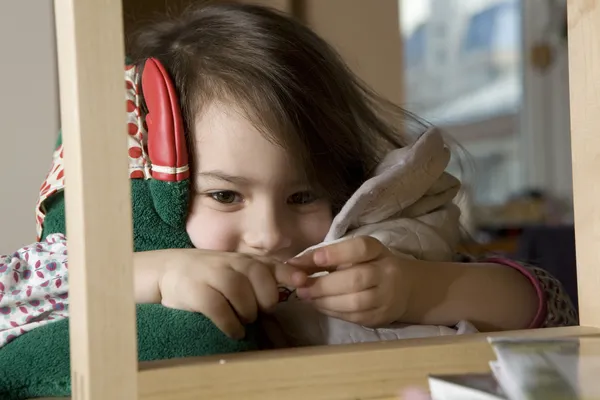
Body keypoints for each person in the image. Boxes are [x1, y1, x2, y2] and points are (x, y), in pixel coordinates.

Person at [0, 2, 577, 348]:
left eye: (303, 195)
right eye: (225, 195)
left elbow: (554, 308)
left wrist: (417, 290)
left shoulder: (361, 248)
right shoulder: (109, 255)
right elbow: (12, 292)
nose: (270, 234)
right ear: (160, 186)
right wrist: (153, 273)